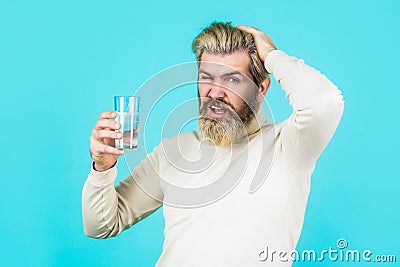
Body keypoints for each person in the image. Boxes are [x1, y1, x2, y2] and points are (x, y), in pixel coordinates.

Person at [82, 22, 344, 266]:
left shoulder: (288, 146)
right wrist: (102, 168)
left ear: (261, 88)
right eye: (207, 77)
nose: (215, 92)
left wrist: (270, 54)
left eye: (232, 80)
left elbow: (325, 102)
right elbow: (101, 225)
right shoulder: (173, 151)